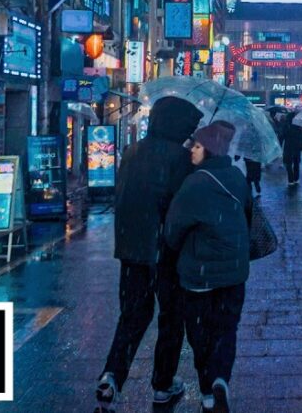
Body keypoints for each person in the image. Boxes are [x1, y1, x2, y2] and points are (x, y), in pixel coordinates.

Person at [95, 97, 204, 411]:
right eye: (188, 126)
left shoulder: (132, 151)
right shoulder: (180, 158)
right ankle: (162, 383)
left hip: (130, 249)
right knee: (171, 318)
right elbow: (182, 206)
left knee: (132, 316)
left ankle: (112, 375)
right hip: (166, 252)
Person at [164, 121, 252, 413]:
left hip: (199, 274)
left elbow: (172, 231)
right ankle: (221, 379)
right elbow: (248, 216)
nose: (192, 150)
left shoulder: (194, 183)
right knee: (227, 330)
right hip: (234, 272)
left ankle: (207, 391)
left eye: (198, 146)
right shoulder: (238, 177)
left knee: (200, 335)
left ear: (210, 149)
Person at [282, 112, 302, 185]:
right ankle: (296, 178)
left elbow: (283, 135)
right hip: (296, 146)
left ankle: (290, 179)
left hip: (288, 146)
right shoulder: (298, 126)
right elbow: (301, 137)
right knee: (296, 162)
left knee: (288, 163)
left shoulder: (286, 125)